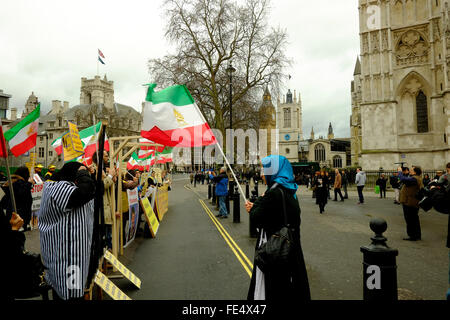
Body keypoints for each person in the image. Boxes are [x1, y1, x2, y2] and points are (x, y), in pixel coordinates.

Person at [244, 155, 310, 301]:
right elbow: (278, 214)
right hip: (291, 249)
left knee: (273, 289)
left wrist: (256, 205)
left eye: (265, 170)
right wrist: (259, 205)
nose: (262, 174)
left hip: (276, 251)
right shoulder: (290, 192)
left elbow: (257, 219)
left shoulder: (273, 193)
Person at [38, 162, 96, 300]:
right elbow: (83, 192)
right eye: (80, 174)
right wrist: (83, 173)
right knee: (70, 295)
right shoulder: (56, 187)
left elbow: (92, 191)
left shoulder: (68, 186)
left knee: (70, 294)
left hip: (73, 256)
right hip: (67, 259)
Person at [1, 167, 33, 231]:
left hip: (11, 213)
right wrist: (29, 184)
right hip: (20, 214)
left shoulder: (10, 182)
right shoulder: (19, 183)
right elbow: (21, 193)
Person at [398, 166, 423, 241]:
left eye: (411, 170)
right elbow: (406, 179)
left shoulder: (414, 179)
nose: (410, 171)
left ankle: (412, 236)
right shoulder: (415, 178)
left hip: (410, 202)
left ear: (415, 172)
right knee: (414, 219)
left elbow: (403, 179)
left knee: (410, 219)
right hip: (411, 202)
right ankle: (417, 235)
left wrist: (399, 172)